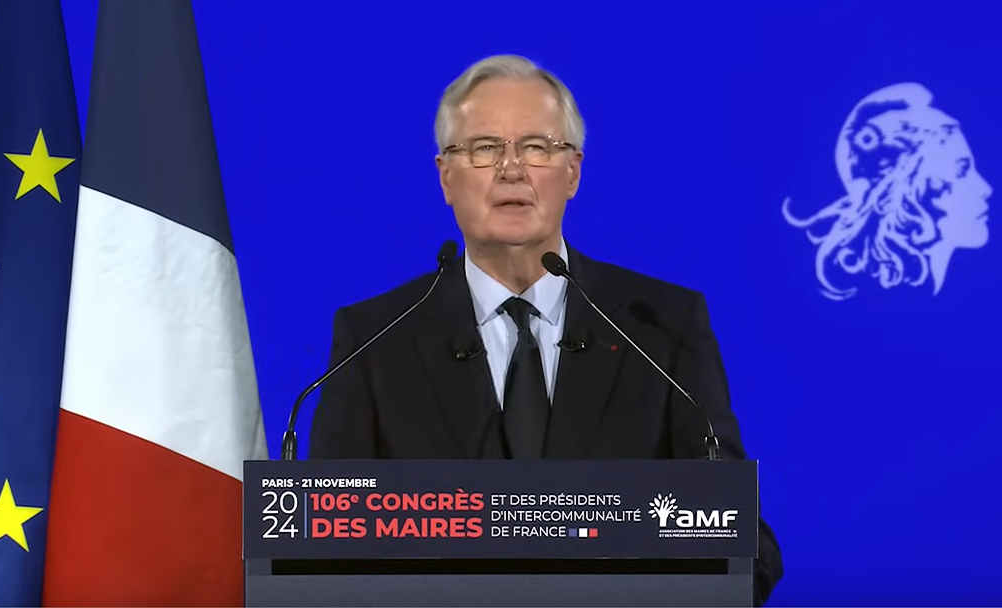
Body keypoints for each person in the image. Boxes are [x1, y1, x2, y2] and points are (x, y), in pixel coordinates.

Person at [308, 54, 783, 606]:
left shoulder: (660, 326)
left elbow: (745, 544)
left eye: (537, 147)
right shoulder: (375, 338)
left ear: (573, 172)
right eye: (485, 147)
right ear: (445, 177)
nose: (512, 169)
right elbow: (325, 543)